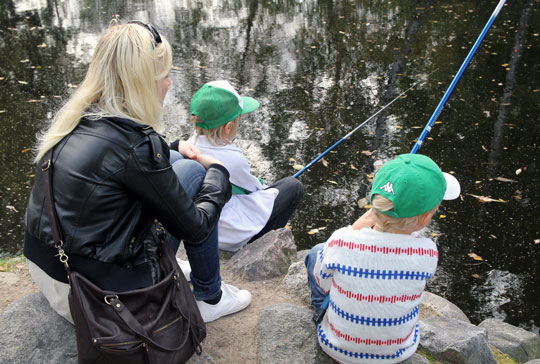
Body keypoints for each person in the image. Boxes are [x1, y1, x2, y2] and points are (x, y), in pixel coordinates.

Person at [23, 21, 250, 325]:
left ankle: (184, 273)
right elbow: (196, 228)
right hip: (97, 295)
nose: (169, 83)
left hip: (51, 271)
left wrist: (170, 148)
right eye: (165, 75)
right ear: (143, 81)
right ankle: (210, 296)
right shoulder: (136, 144)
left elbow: (118, 168)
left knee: (175, 158)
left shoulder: (78, 119)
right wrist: (220, 173)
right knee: (195, 172)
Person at [304, 154, 461, 363]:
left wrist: (366, 221)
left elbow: (324, 284)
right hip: (397, 352)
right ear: (424, 218)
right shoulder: (428, 251)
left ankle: (323, 315)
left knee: (317, 252)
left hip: (337, 347)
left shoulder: (341, 240)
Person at [178, 80, 304, 252]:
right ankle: (258, 246)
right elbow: (254, 189)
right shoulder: (232, 158)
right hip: (228, 235)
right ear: (228, 127)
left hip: (201, 223)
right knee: (293, 186)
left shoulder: (188, 145)